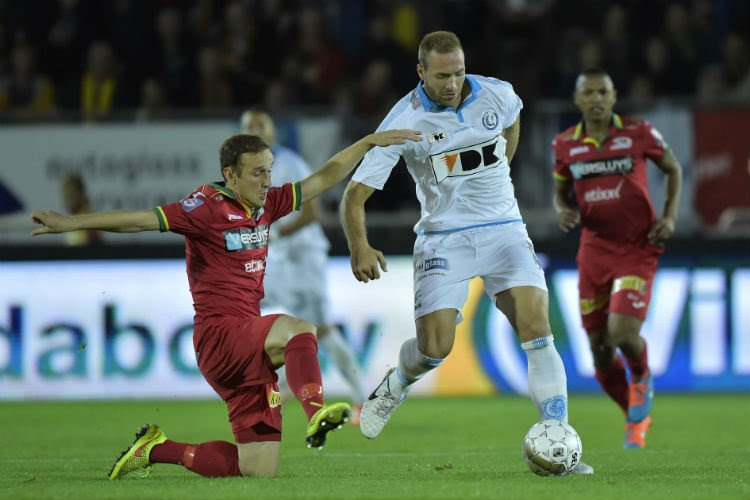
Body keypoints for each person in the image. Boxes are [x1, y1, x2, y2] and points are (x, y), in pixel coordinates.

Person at [31, 129, 421, 479]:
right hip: (221, 337)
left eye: (269, 171)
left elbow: (323, 178)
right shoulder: (204, 208)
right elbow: (140, 220)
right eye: (257, 173)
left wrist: (367, 142)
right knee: (299, 328)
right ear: (231, 174)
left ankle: (157, 448)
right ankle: (315, 410)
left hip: (245, 349)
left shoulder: (268, 204)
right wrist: (73, 223)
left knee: (257, 468)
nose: (267, 182)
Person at [340, 30, 593, 474]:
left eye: (458, 72)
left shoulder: (497, 94)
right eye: (441, 76)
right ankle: (397, 383)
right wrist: (359, 245)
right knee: (435, 348)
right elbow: (354, 194)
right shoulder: (404, 120)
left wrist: (504, 169)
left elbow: (513, 120)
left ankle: (559, 442)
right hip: (444, 238)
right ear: (420, 72)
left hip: (504, 229)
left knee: (537, 327)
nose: (453, 83)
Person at [552, 68, 682, 448]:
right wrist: (562, 210)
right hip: (594, 249)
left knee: (622, 333)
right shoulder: (564, 145)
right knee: (599, 350)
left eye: (602, 92)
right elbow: (560, 190)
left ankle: (640, 375)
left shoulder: (639, 133)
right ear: (576, 100)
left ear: (613, 96)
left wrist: (670, 216)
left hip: (636, 247)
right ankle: (633, 419)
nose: (596, 99)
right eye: (588, 93)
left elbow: (673, 168)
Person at [240, 109, 367, 423]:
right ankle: (279, 387)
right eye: (249, 127)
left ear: (272, 131)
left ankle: (362, 397)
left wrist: (275, 233)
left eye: (261, 125)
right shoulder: (245, 173)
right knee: (262, 317)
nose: (255, 130)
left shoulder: (290, 163)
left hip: (304, 254)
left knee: (319, 328)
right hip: (276, 256)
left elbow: (312, 213)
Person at [59, 174, 101, 246]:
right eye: (65, 197)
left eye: (70, 196)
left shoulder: (89, 223)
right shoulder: (71, 220)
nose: (67, 202)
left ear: (81, 194)